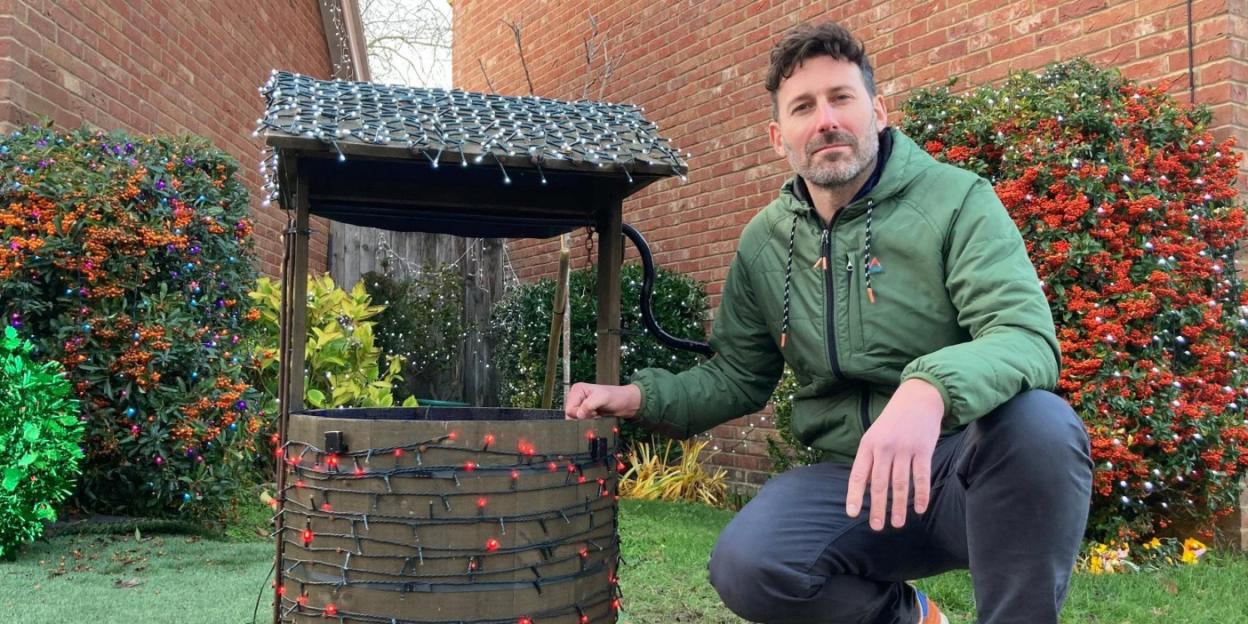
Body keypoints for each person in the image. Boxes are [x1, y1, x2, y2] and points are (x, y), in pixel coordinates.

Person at [566, 20, 1093, 624]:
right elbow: (738, 375)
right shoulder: (764, 243)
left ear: (878, 110)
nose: (826, 121)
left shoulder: (956, 201)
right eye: (803, 107)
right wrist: (635, 395)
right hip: (851, 484)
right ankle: (914, 619)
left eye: (842, 98)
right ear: (777, 135)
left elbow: (1025, 338)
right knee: (749, 562)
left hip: (959, 472)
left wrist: (928, 391)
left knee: (1041, 426)